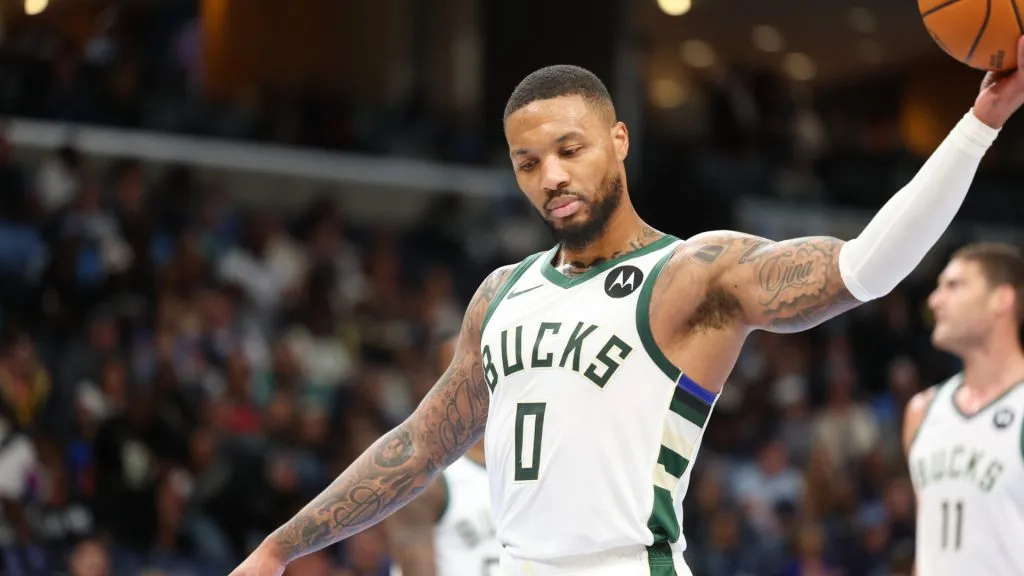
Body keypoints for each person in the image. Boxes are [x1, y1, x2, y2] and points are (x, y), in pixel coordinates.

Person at [231, 38, 1024, 576]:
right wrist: (280, 548)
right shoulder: (499, 294)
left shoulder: (693, 275)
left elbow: (866, 268)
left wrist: (979, 124)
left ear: (618, 139)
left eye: (568, 149)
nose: (550, 176)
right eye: (527, 162)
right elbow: (418, 445)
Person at [904, 242, 1024, 576]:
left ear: (1002, 299)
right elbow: (928, 547)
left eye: (954, 286)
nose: (934, 300)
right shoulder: (922, 411)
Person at [385, 336, 499, 576]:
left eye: (484, 370)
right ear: (438, 388)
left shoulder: (533, 458)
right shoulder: (428, 477)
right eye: (464, 374)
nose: (478, 383)